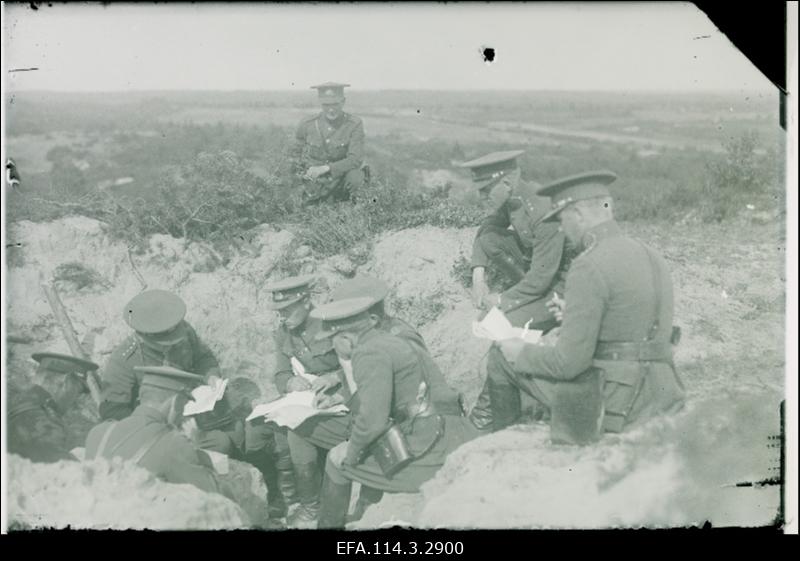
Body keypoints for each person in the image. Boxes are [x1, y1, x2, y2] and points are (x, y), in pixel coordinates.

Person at [491, 170, 686, 444]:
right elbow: (630, 321)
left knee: (501, 357)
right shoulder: (650, 254)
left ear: (579, 214)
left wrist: (519, 352)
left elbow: (568, 364)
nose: (561, 228)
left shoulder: (588, 265)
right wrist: (574, 310)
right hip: (665, 390)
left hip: (619, 402)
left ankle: (498, 445)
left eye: (562, 218)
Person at [309, 297, 478, 529]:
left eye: (332, 341)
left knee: (336, 459)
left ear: (346, 338)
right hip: (449, 431)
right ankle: (368, 510)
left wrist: (352, 453)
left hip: (428, 447)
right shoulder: (391, 340)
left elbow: (371, 421)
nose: (332, 347)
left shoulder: (366, 353)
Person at [285, 275, 434, 528]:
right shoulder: (370, 336)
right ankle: (324, 508)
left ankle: (358, 511)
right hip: (376, 418)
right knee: (301, 430)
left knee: (340, 457)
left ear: (367, 315)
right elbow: (367, 380)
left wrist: (352, 451)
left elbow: (400, 397)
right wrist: (338, 394)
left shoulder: (397, 338)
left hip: (407, 432)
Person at [459, 150, 570, 432]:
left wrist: (503, 300)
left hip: (563, 290)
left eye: (486, 191)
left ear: (506, 183)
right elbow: (487, 231)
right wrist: (478, 273)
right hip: (539, 279)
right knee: (492, 238)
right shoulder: (512, 199)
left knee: (504, 330)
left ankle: (492, 420)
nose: (482, 197)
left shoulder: (543, 211)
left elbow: (543, 278)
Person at [85, 366, 225, 496]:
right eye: (183, 406)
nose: (183, 415)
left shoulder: (98, 432)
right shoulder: (173, 444)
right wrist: (195, 447)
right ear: (174, 402)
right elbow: (214, 497)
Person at [99, 289, 221, 422]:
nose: (171, 344)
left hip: (195, 405)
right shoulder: (124, 360)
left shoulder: (183, 330)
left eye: (174, 336)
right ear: (144, 336)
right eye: (165, 341)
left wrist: (211, 377)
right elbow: (112, 410)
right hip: (156, 422)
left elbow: (204, 358)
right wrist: (155, 425)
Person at [7, 352, 100, 463]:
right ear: (65, 381)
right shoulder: (41, 421)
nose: (74, 400)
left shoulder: (14, 403)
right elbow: (61, 471)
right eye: (77, 392)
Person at [288, 82, 366, 205]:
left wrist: (326, 168)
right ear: (320, 103)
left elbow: (355, 159)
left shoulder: (354, 124)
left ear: (343, 102)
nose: (331, 109)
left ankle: (354, 214)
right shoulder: (307, 124)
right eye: (326, 105)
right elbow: (293, 154)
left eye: (335, 104)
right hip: (314, 181)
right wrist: (302, 173)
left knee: (356, 177)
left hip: (340, 179)